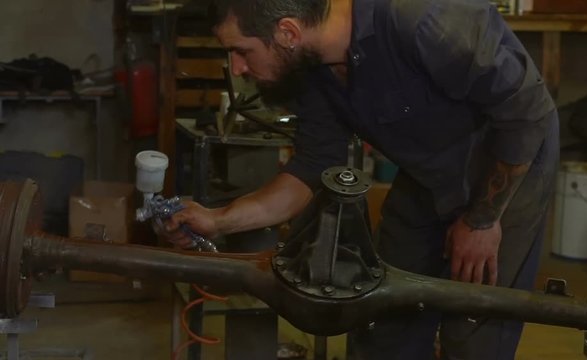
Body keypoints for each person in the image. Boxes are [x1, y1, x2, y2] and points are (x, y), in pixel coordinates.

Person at [165, 0, 559, 358]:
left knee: (473, 331)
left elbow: (528, 111)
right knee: (380, 314)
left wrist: (482, 220)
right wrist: (218, 219)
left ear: (287, 32)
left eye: (240, 51)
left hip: (509, 164)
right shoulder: (313, 67)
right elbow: (311, 169)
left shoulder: (422, 19)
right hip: (428, 171)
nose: (237, 68)